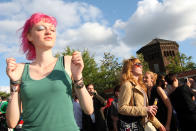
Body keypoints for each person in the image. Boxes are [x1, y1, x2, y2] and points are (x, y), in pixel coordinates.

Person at [6, 12, 93, 131]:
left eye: (52, 29)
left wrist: (78, 76)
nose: (48, 32)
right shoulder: (20, 69)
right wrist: (14, 84)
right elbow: (11, 122)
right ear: (29, 36)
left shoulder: (67, 62)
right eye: (41, 28)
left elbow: (88, 109)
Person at [118, 58, 166, 131]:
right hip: (133, 126)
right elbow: (121, 108)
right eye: (138, 64)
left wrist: (159, 125)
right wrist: (145, 109)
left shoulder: (141, 86)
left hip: (142, 125)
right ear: (130, 68)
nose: (141, 66)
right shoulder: (127, 85)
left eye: (141, 64)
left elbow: (145, 110)